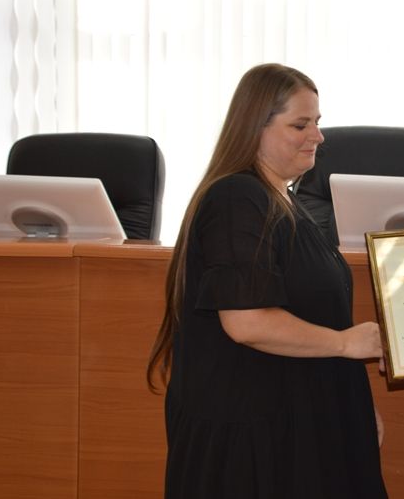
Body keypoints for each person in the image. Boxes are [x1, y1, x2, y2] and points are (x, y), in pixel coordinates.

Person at [146, 63, 388, 498]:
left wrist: (352, 402)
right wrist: (346, 344)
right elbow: (248, 321)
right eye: (300, 124)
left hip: (297, 421)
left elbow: (315, 314)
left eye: (317, 122)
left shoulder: (285, 201)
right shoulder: (237, 199)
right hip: (252, 439)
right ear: (255, 127)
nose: (318, 136)